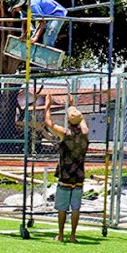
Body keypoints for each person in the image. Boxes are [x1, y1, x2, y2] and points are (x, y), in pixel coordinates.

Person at [44, 94, 89, 243]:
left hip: (66, 175)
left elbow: (48, 122)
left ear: (69, 121)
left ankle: (61, 234)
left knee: (62, 208)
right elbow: (81, 122)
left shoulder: (65, 134)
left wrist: (48, 106)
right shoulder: (85, 134)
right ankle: (73, 236)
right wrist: (72, 105)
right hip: (79, 175)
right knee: (76, 208)